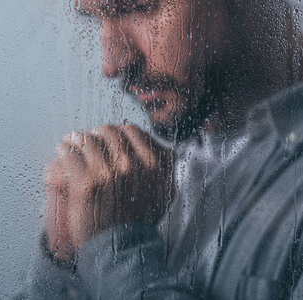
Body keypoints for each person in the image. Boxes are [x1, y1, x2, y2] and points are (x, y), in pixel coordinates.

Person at [16, 0, 303, 298]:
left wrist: (115, 247)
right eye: (96, 20)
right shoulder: (148, 183)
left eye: (137, 8)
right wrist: (66, 259)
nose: (112, 64)